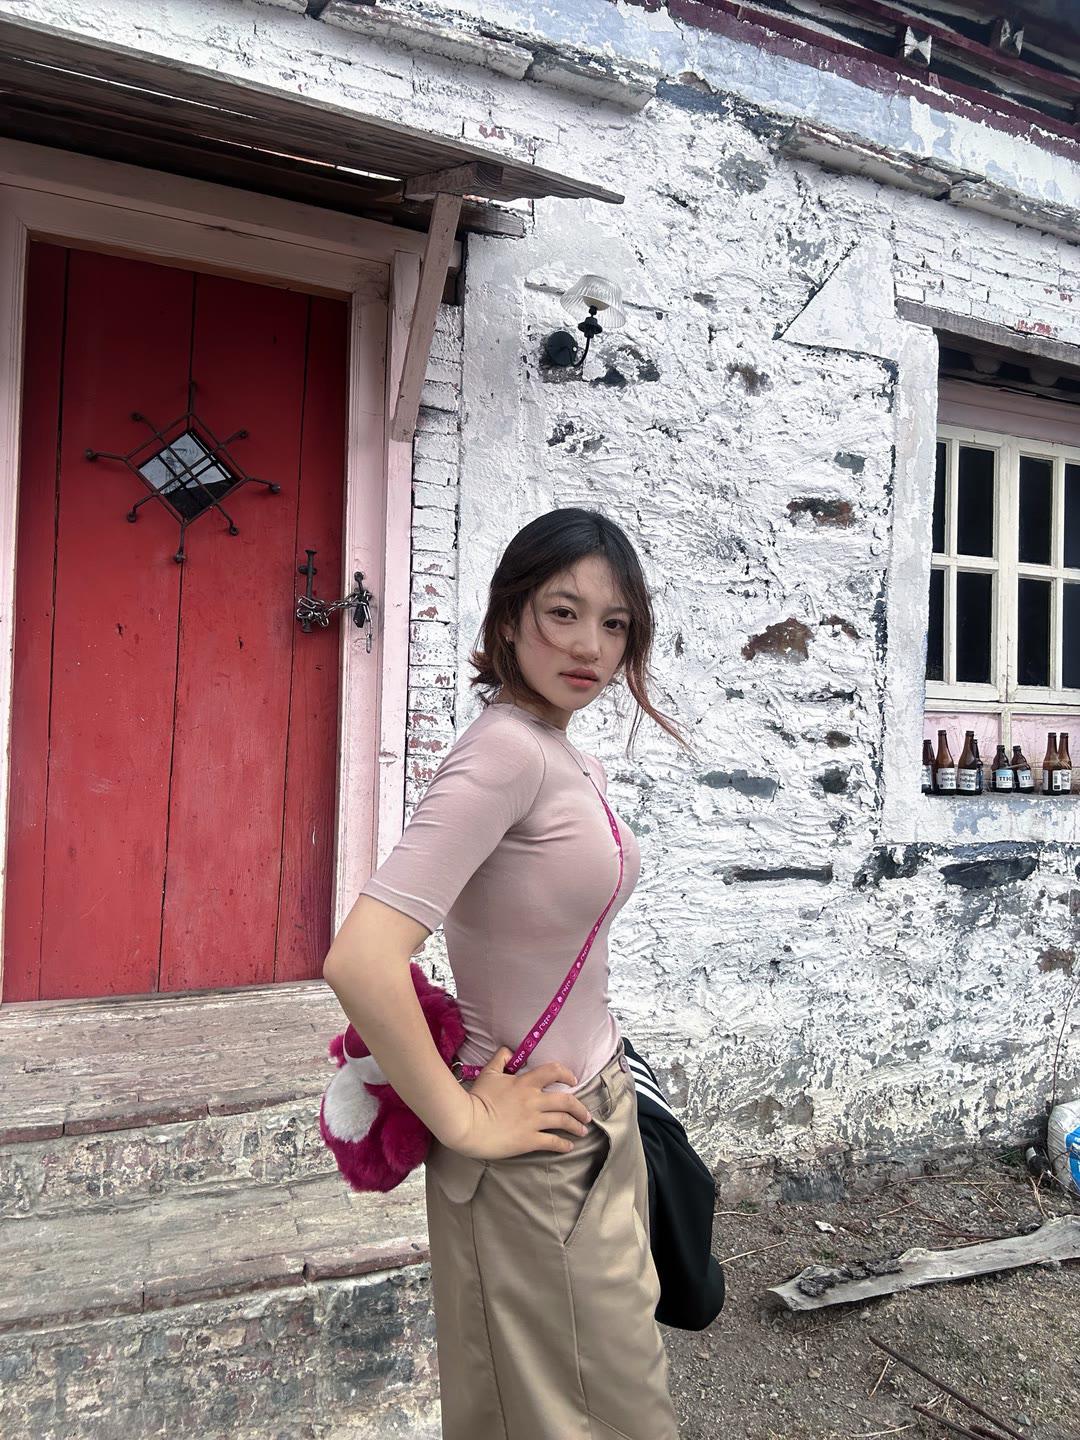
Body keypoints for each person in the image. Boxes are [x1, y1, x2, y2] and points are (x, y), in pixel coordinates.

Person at [322, 507, 697, 1440]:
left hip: (594, 1116)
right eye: (563, 613)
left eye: (614, 623)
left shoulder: (560, 750)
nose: (590, 646)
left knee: (571, 1407)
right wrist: (465, 1121)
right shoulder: (503, 754)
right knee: (604, 1418)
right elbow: (361, 958)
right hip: (534, 1153)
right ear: (508, 616)